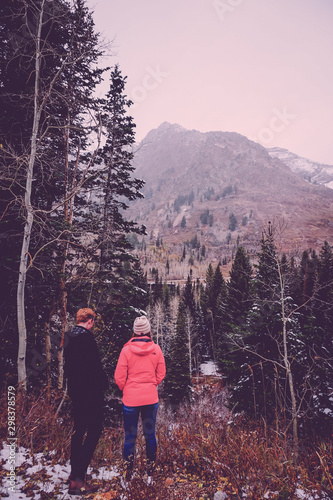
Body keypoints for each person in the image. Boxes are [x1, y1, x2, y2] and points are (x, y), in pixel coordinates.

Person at [114, 316, 166, 482]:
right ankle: (150, 474)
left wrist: (128, 389)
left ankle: (128, 477)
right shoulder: (156, 349)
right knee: (150, 436)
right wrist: (151, 384)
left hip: (131, 400)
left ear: (135, 331)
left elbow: (119, 377)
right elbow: (161, 373)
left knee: (130, 438)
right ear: (148, 330)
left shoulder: (126, 350)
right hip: (150, 399)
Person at [64, 308, 108, 495]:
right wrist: (103, 385)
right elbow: (94, 367)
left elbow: (68, 367)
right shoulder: (87, 339)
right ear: (89, 321)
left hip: (75, 392)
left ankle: (74, 474)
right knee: (95, 430)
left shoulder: (68, 337)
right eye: (93, 321)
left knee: (78, 430)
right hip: (91, 393)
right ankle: (78, 478)